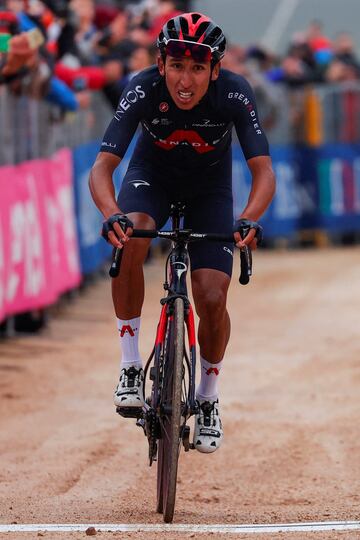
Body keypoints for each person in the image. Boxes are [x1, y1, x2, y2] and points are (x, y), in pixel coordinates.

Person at [89, 12, 276, 454]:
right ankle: (131, 365)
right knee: (132, 236)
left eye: (196, 67)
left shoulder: (234, 93)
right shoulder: (142, 88)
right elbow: (103, 167)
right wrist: (112, 211)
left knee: (212, 297)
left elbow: (263, 171)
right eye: (176, 65)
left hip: (210, 191)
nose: (185, 79)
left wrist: (248, 217)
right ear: (160, 65)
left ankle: (208, 398)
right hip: (150, 178)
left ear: (215, 69)